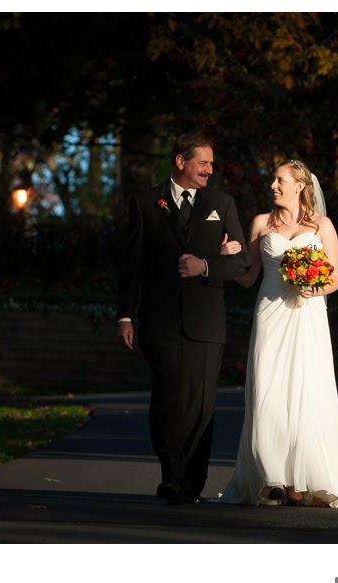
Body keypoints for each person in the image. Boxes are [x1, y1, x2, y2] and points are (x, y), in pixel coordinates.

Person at [220, 159, 338, 508]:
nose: (274, 186)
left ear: (299, 185)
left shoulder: (322, 225)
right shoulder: (261, 224)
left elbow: (336, 278)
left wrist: (316, 287)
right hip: (270, 313)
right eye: (273, 181)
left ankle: (299, 484)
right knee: (267, 390)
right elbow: (247, 277)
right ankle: (272, 477)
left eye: (280, 181)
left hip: (308, 315)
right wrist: (225, 259)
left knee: (305, 392)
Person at [116, 133, 251, 505]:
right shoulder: (145, 203)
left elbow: (241, 262)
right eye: (203, 162)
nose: (210, 169)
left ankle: (191, 483)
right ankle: (172, 477)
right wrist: (125, 315)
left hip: (206, 324)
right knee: (169, 399)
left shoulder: (222, 204)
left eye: (211, 163)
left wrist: (207, 264)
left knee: (202, 404)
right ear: (180, 162)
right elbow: (132, 266)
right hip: (160, 322)